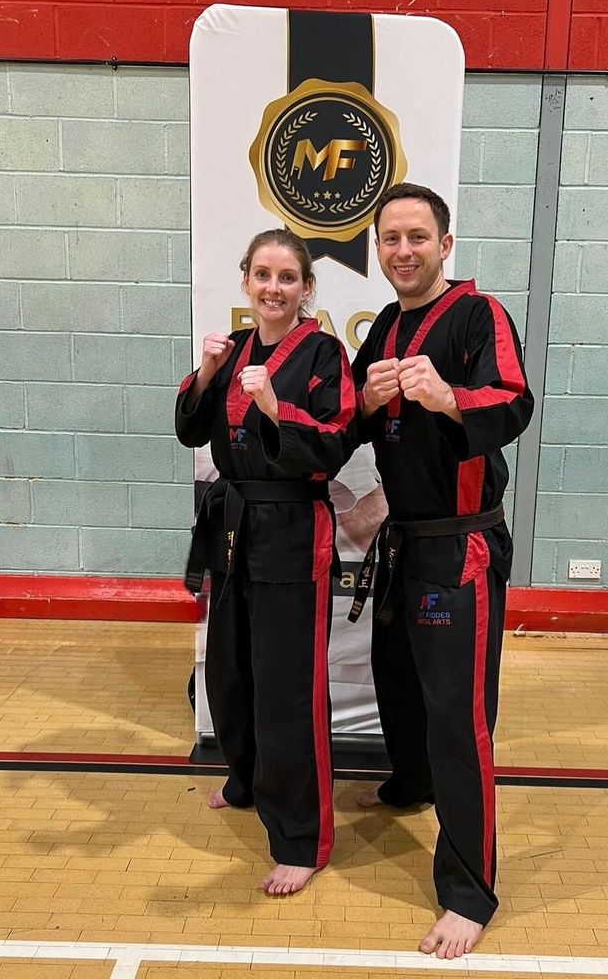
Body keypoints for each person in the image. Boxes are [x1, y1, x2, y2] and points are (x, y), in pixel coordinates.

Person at [349, 183, 534, 958]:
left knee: (460, 722)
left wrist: (447, 396)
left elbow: (515, 402)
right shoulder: (386, 325)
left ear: (444, 245)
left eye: (417, 237)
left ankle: (469, 891)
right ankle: (412, 784)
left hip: (461, 548)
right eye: (390, 238)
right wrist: (366, 396)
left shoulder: (476, 313)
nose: (403, 250)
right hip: (403, 541)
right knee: (397, 680)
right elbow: (350, 413)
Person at [175, 228, 355, 895]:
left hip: (291, 527)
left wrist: (277, 406)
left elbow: (334, 444)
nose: (274, 288)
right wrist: (207, 374)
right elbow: (192, 429)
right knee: (230, 670)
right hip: (235, 527)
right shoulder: (236, 349)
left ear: (306, 288)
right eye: (263, 275)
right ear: (246, 280)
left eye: (288, 277)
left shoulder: (324, 354)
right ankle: (247, 779)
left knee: (287, 689)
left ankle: (303, 840)